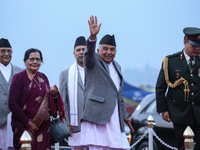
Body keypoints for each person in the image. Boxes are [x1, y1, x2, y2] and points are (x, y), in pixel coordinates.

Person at [80, 15, 134, 150]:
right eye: (105, 49)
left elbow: (119, 95)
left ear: (116, 51)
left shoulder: (117, 66)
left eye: (112, 49)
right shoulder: (93, 62)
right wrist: (92, 38)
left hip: (115, 117)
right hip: (97, 116)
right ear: (98, 50)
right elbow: (88, 55)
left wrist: (125, 116)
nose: (108, 52)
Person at [8, 48, 65, 150]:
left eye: (38, 59)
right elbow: (12, 103)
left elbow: (50, 101)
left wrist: (55, 95)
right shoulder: (19, 78)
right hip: (24, 127)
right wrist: (28, 123)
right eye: (31, 59)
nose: (35, 62)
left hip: (44, 129)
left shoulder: (43, 77)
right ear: (25, 61)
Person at [156, 27, 200, 150]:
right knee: (183, 146)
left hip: (198, 111)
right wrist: (163, 110)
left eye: (199, 46)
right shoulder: (171, 61)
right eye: (194, 45)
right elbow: (160, 88)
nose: (197, 49)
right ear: (185, 43)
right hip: (180, 113)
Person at [59, 36, 86, 150]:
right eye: (78, 50)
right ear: (74, 53)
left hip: (94, 124)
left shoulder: (97, 72)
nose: (81, 52)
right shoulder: (65, 74)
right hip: (76, 124)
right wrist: (67, 123)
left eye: (84, 49)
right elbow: (62, 102)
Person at [0, 38, 22, 150]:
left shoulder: (20, 72)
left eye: (9, 51)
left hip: (15, 120)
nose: (6, 54)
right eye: (3, 51)